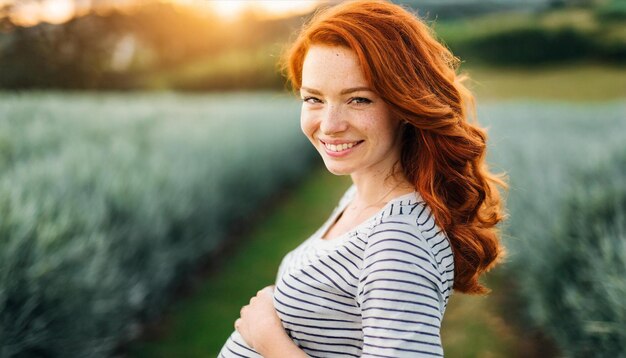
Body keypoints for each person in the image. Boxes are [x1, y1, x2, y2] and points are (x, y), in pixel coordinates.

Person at [218, 0, 507, 357]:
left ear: (405, 105)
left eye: (358, 100)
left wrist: (269, 341)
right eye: (314, 99)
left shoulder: (399, 240)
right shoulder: (360, 200)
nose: (330, 124)